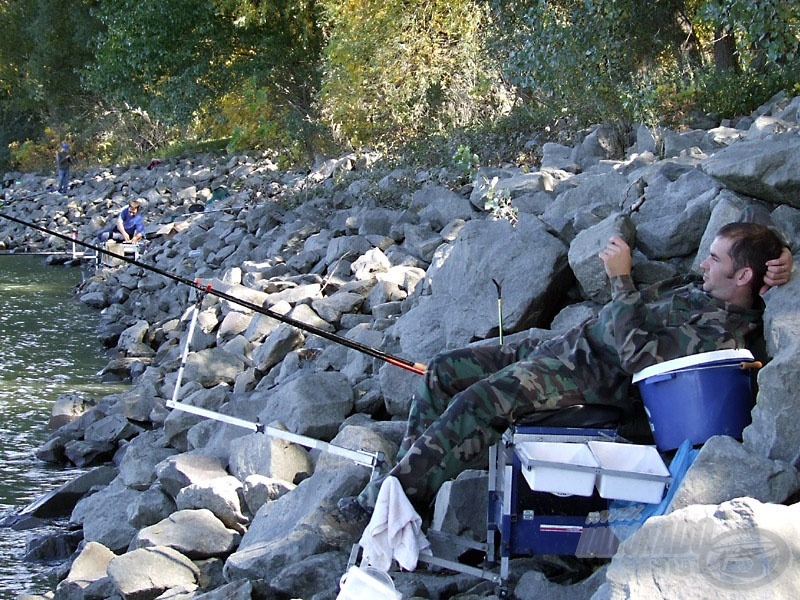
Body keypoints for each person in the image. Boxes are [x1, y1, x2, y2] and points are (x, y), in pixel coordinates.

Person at [322, 222, 794, 543]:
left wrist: (621, 281)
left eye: (714, 258)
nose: (704, 264)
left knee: (481, 400)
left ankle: (380, 506)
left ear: (743, 275)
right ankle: (414, 495)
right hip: (568, 344)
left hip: (593, 376)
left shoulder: (721, 328)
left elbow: (639, 359)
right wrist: (786, 257)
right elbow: (757, 260)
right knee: (445, 369)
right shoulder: (711, 285)